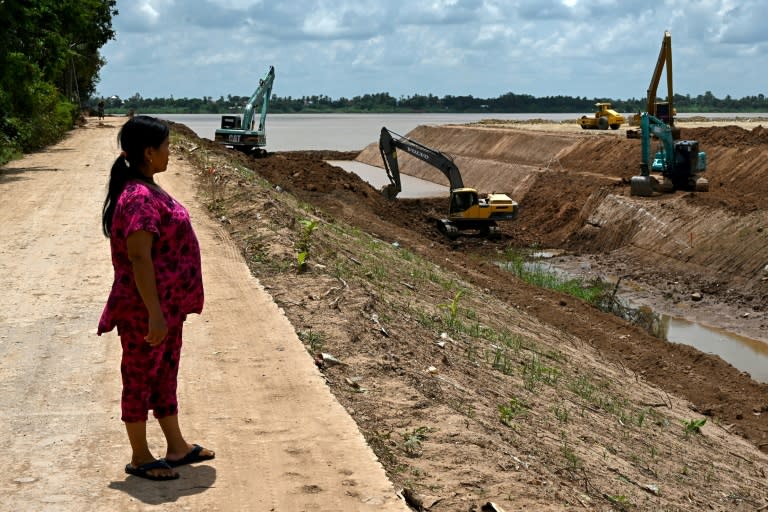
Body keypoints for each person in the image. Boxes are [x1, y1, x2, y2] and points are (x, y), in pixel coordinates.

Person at [99, 115, 214, 481]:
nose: (170, 153)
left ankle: (176, 446)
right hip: (144, 310)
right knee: (139, 378)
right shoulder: (137, 197)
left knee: (164, 375)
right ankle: (139, 456)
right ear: (149, 152)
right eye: (166, 147)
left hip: (167, 307)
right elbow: (138, 257)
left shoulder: (147, 186)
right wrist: (155, 314)